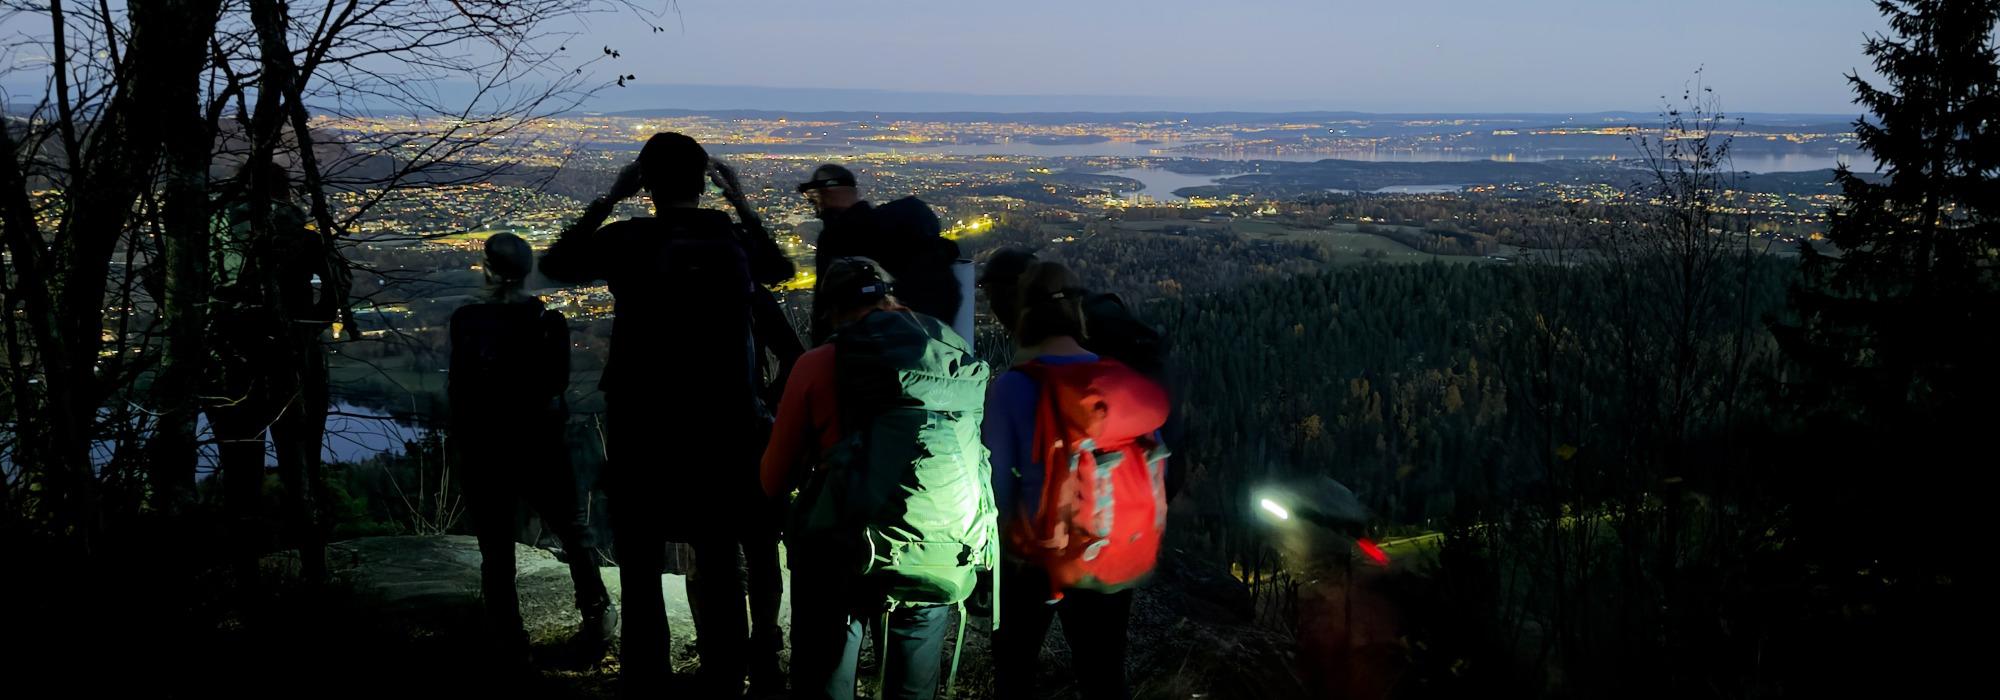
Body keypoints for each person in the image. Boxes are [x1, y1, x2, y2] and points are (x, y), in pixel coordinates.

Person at [539, 131, 794, 696]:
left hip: (643, 421)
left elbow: (556, 264)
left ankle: (646, 677)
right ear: (704, 182)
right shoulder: (729, 238)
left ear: (645, 183)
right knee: (720, 556)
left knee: (639, 560)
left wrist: (608, 197)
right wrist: (743, 202)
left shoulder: (627, 240)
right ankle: (725, 674)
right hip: (722, 423)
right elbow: (781, 271)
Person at [761, 257, 994, 700]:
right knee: (913, 689)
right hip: (934, 544)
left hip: (838, 555)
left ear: (829, 309)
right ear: (890, 297)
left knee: (823, 679)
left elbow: (773, 479)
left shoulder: (818, 364)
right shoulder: (947, 354)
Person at [983, 260, 1172, 700]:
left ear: (1024, 312)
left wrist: (1006, 543)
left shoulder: (1012, 387)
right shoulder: (1115, 381)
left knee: (1015, 665)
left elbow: (998, 484)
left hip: (1036, 553)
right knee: (1103, 671)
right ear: (1077, 312)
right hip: (1110, 542)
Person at [448, 232, 615, 665]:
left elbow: (460, 386)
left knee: (496, 549)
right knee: (572, 530)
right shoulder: (548, 322)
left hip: (486, 446)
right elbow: (556, 384)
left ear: (486, 268)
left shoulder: (467, 321)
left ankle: (507, 636)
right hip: (540, 443)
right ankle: (596, 615)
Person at [799, 164, 962, 343]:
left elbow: (825, 305)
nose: (813, 203)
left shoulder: (837, 238)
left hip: (871, 346)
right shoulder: (905, 229)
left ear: (828, 192)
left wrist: (820, 350)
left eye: (815, 196)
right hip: (931, 338)